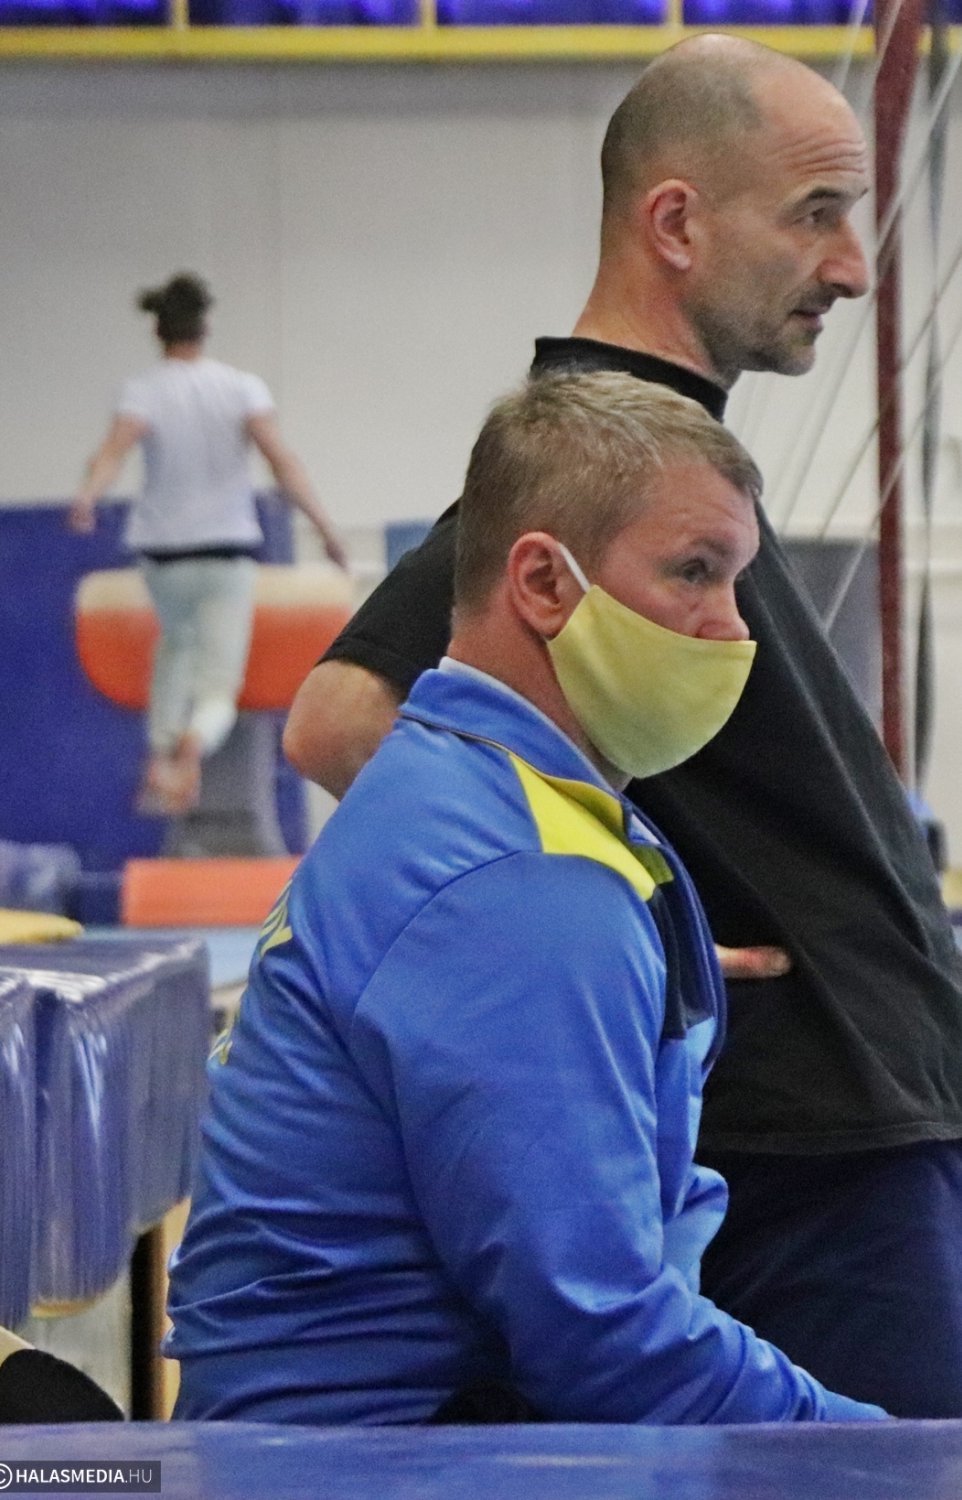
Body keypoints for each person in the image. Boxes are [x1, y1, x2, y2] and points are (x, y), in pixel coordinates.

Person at [282, 37, 962, 1418]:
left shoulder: (673, 467)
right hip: (813, 1161)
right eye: (815, 214)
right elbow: (338, 719)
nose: (850, 267)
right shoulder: (603, 475)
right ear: (676, 223)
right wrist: (608, 916)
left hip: (854, 1143)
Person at [166, 373, 887, 1427]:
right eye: (694, 572)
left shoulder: (461, 791)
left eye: (737, 581)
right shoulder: (516, 879)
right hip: (375, 1459)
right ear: (545, 583)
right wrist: (881, 1454)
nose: (733, 629)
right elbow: (604, 1337)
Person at [70, 273, 347, 817]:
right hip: (224, 553)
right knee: (218, 684)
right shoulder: (240, 388)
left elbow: (111, 453)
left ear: (158, 331)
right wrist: (325, 529)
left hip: (163, 555)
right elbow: (281, 462)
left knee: (174, 652)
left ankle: (160, 752)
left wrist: (87, 497)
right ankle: (193, 749)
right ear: (206, 326)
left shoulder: (143, 390)